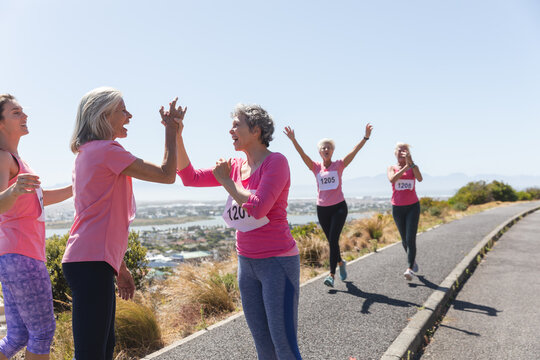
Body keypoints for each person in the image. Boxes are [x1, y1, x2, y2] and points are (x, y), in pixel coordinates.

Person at [61, 87, 182, 360]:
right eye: (122, 110)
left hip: (90, 260)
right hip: (91, 263)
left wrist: (120, 267)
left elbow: (98, 221)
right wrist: (171, 130)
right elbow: (167, 175)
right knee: (93, 353)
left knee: (101, 349)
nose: (129, 115)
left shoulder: (88, 152)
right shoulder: (106, 151)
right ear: (103, 115)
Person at [175, 104, 302, 360]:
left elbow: (258, 208)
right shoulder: (234, 165)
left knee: (284, 346)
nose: (230, 129)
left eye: (236, 124)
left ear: (256, 130)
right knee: (264, 348)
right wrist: (176, 134)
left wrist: (228, 183)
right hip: (247, 265)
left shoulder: (276, 162)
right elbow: (189, 178)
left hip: (278, 262)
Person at [0, 94, 72, 360]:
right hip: (22, 256)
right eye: (16, 112)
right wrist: (15, 190)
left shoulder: (18, 160)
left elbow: (41, 198)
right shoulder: (4, 158)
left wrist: (77, 187)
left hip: (14, 257)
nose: (24, 116)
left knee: (17, 336)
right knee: (42, 332)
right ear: (1, 123)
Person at [284, 124, 373, 287]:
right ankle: (340, 262)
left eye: (329, 148)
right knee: (331, 241)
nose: (326, 150)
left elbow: (354, 151)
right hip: (322, 209)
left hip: (339, 207)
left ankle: (331, 275)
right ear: (320, 152)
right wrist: (293, 140)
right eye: (323, 148)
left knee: (333, 239)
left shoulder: (339, 164)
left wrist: (365, 138)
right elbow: (302, 154)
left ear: (332, 151)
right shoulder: (315, 167)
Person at [387, 142, 423, 281]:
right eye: (400, 150)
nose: (402, 152)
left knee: (410, 238)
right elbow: (392, 179)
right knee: (404, 240)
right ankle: (412, 261)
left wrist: (411, 164)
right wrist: (405, 168)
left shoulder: (413, 167)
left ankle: (409, 269)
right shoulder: (392, 168)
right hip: (397, 207)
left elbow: (419, 178)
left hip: (413, 206)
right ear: (395, 153)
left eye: (405, 150)